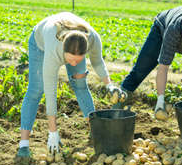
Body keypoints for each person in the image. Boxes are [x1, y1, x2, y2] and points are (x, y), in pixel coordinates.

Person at [17, 12, 125, 157]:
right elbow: (50, 92)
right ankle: (23, 144)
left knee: (80, 84)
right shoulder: (54, 49)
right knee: (36, 90)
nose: (73, 64)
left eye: (78, 60)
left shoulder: (92, 39)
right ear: (63, 52)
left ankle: (95, 132)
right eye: (70, 60)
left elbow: (98, 62)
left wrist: (109, 85)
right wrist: (53, 131)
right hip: (40, 44)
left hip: (73, 41)